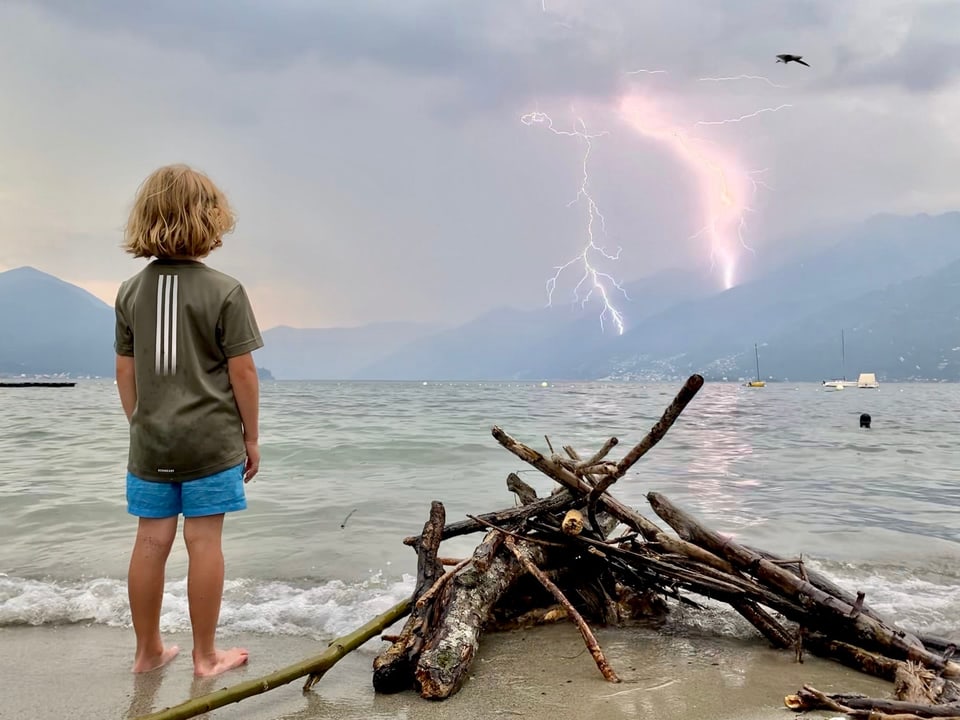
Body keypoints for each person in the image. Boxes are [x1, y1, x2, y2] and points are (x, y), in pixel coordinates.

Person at [114, 164, 263, 677]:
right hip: (211, 442)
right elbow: (243, 373)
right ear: (210, 220)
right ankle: (204, 657)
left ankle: (147, 652)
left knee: (150, 541)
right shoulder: (225, 290)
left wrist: (142, 422)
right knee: (204, 543)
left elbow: (124, 369)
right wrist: (252, 437)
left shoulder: (130, 291)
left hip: (151, 443)